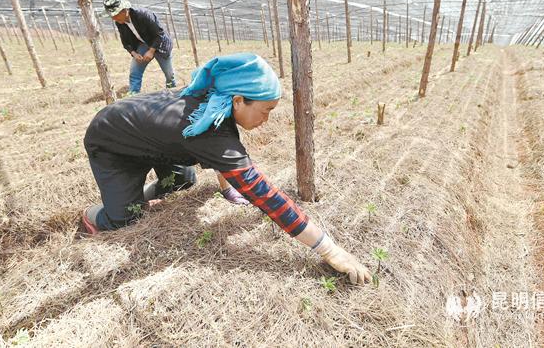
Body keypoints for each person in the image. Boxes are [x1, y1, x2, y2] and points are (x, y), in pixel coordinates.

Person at [82, 53, 371, 284]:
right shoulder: (211, 131)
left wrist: (227, 190)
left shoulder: (216, 102)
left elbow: (222, 155)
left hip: (149, 138)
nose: (266, 119)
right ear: (239, 100)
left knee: (183, 180)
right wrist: (330, 250)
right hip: (112, 143)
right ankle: (99, 212)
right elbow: (264, 195)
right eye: (266, 110)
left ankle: (136, 194)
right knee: (124, 219)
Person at [104, 0, 176, 94]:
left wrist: (151, 51)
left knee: (169, 74)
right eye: (111, 16)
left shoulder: (143, 15)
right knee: (134, 73)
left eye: (115, 14)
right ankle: (133, 96)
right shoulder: (119, 22)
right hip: (144, 43)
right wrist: (134, 53)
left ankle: (172, 92)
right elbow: (125, 42)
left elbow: (160, 34)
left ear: (125, 11)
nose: (113, 18)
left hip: (160, 43)